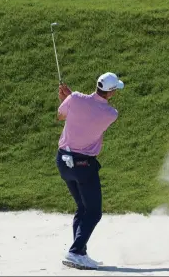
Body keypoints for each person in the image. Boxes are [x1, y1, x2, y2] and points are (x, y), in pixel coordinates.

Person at [56, 72, 124, 269]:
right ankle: (75, 252)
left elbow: (61, 116)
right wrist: (71, 99)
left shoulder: (75, 98)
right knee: (94, 212)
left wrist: (69, 99)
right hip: (83, 166)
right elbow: (89, 111)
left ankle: (80, 253)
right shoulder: (111, 114)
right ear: (110, 92)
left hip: (63, 161)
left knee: (82, 209)